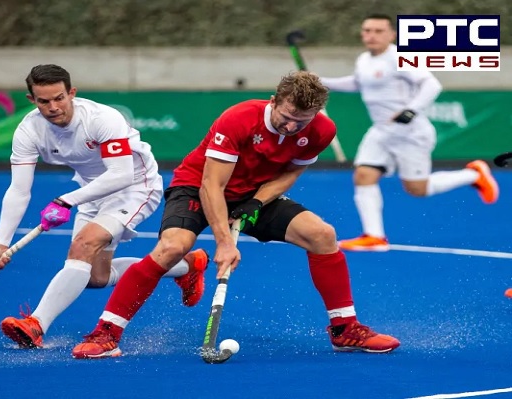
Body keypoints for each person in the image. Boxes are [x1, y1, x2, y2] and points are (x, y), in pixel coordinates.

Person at [71, 71, 401, 359]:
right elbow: (211, 185)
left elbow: (289, 174)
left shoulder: (321, 131)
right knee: (171, 249)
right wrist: (224, 242)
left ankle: (344, 329)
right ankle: (106, 333)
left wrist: (256, 203)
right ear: (274, 100)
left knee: (322, 235)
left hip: (254, 193)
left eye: (300, 121)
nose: (290, 126)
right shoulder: (239, 119)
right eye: (286, 116)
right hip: (197, 187)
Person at [0, 64, 208, 349]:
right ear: (32, 100)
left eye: (59, 98)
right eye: (44, 101)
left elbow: (121, 174)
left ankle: (36, 324)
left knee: (83, 245)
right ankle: (186, 265)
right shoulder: (28, 130)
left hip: (135, 186)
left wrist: (66, 200)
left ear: (72, 93)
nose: (53, 107)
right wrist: (0, 244)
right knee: (94, 277)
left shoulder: (102, 118)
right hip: (92, 191)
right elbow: (18, 190)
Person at [319, 14, 499, 252]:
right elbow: (359, 83)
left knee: (417, 190)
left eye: (378, 31)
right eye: (367, 30)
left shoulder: (400, 58)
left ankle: (473, 175)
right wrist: (321, 81)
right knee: (363, 175)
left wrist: (410, 110)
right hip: (381, 132)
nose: (371, 35)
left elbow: (432, 84)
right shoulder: (364, 59)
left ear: (392, 34)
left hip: (410, 134)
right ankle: (374, 237)